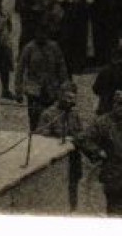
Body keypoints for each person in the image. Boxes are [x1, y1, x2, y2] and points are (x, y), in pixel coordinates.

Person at [35, 83, 85, 211]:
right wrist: (60, 140)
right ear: (60, 96)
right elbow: (41, 136)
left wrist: (77, 138)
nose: (71, 102)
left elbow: (81, 133)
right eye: (68, 98)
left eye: (73, 98)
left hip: (73, 157)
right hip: (56, 159)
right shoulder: (48, 114)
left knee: (73, 184)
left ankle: (73, 209)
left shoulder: (74, 114)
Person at [15, 25, 69, 133]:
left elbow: (62, 67)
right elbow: (20, 70)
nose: (41, 36)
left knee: (51, 116)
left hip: (52, 89)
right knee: (34, 118)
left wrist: (65, 86)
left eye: (44, 34)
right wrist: (18, 91)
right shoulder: (29, 48)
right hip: (34, 91)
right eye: (39, 34)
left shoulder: (54, 47)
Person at [56, 0, 95, 73]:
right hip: (81, 12)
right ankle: (79, 65)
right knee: (81, 38)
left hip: (69, 10)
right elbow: (90, 1)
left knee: (69, 37)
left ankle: (69, 63)